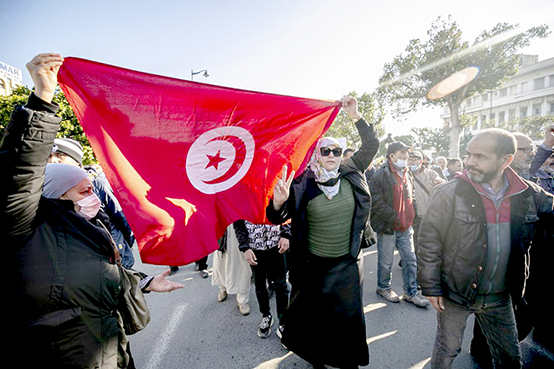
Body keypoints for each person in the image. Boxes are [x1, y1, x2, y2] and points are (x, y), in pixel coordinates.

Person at [1, 53, 184, 368]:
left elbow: (98, 275)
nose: (95, 195)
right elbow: (18, 177)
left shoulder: (87, 228)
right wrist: (42, 100)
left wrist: (142, 282)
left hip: (112, 356)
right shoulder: (26, 229)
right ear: (58, 196)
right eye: (85, 190)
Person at [417, 128, 554, 369]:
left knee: (510, 358)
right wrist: (430, 286)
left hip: (501, 298)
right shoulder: (449, 192)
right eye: (468, 155)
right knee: (447, 350)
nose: (470, 162)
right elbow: (429, 241)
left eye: (480, 156)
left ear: (505, 160)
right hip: (455, 295)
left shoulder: (528, 194)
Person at [266, 95, 378, 368]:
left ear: (342, 154)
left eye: (336, 151)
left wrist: (355, 116)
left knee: (347, 317)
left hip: (347, 263)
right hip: (312, 264)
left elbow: (372, 144)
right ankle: (316, 359)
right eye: (325, 151)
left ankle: (347, 360)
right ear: (316, 154)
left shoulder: (353, 171)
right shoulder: (303, 182)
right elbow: (277, 216)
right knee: (314, 317)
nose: (331, 156)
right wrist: (279, 201)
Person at [370, 142, 429, 308]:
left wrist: (412, 214)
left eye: (407, 154)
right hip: (389, 227)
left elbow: (412, 196)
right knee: (386, 261)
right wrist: (394, 217)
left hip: (406, 227)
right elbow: (376, 201)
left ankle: (411, 293)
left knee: (410, 260)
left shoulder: (407, 173)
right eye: (402, 153)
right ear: (392, 156)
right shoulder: (380, 175)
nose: (405, 157)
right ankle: (383, 288)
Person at [234, 220, 290, 338]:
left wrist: (285, 234)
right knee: (259, 285)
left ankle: (283, 321)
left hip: (277, 243)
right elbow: (237, 222)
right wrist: (244, 247)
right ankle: (266, 315)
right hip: (255, 247)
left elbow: (286, 211)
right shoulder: (242, 201)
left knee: (281, 285)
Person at [407, 150, 445, 252]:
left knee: (428, 242)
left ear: (421, 161)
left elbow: (444, 186)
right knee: (413, 244)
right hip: (412, 218)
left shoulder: (430, 173)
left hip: (428, 215)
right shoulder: (403, 175)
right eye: (409, 159)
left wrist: (439, 183)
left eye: (415, 159)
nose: (411, 162)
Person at [212, 224, 252, 315]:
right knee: (220, 262)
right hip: (220, 225)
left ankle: (242, 299)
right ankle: (223, 287)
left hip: (237, 224)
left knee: (241, 263)